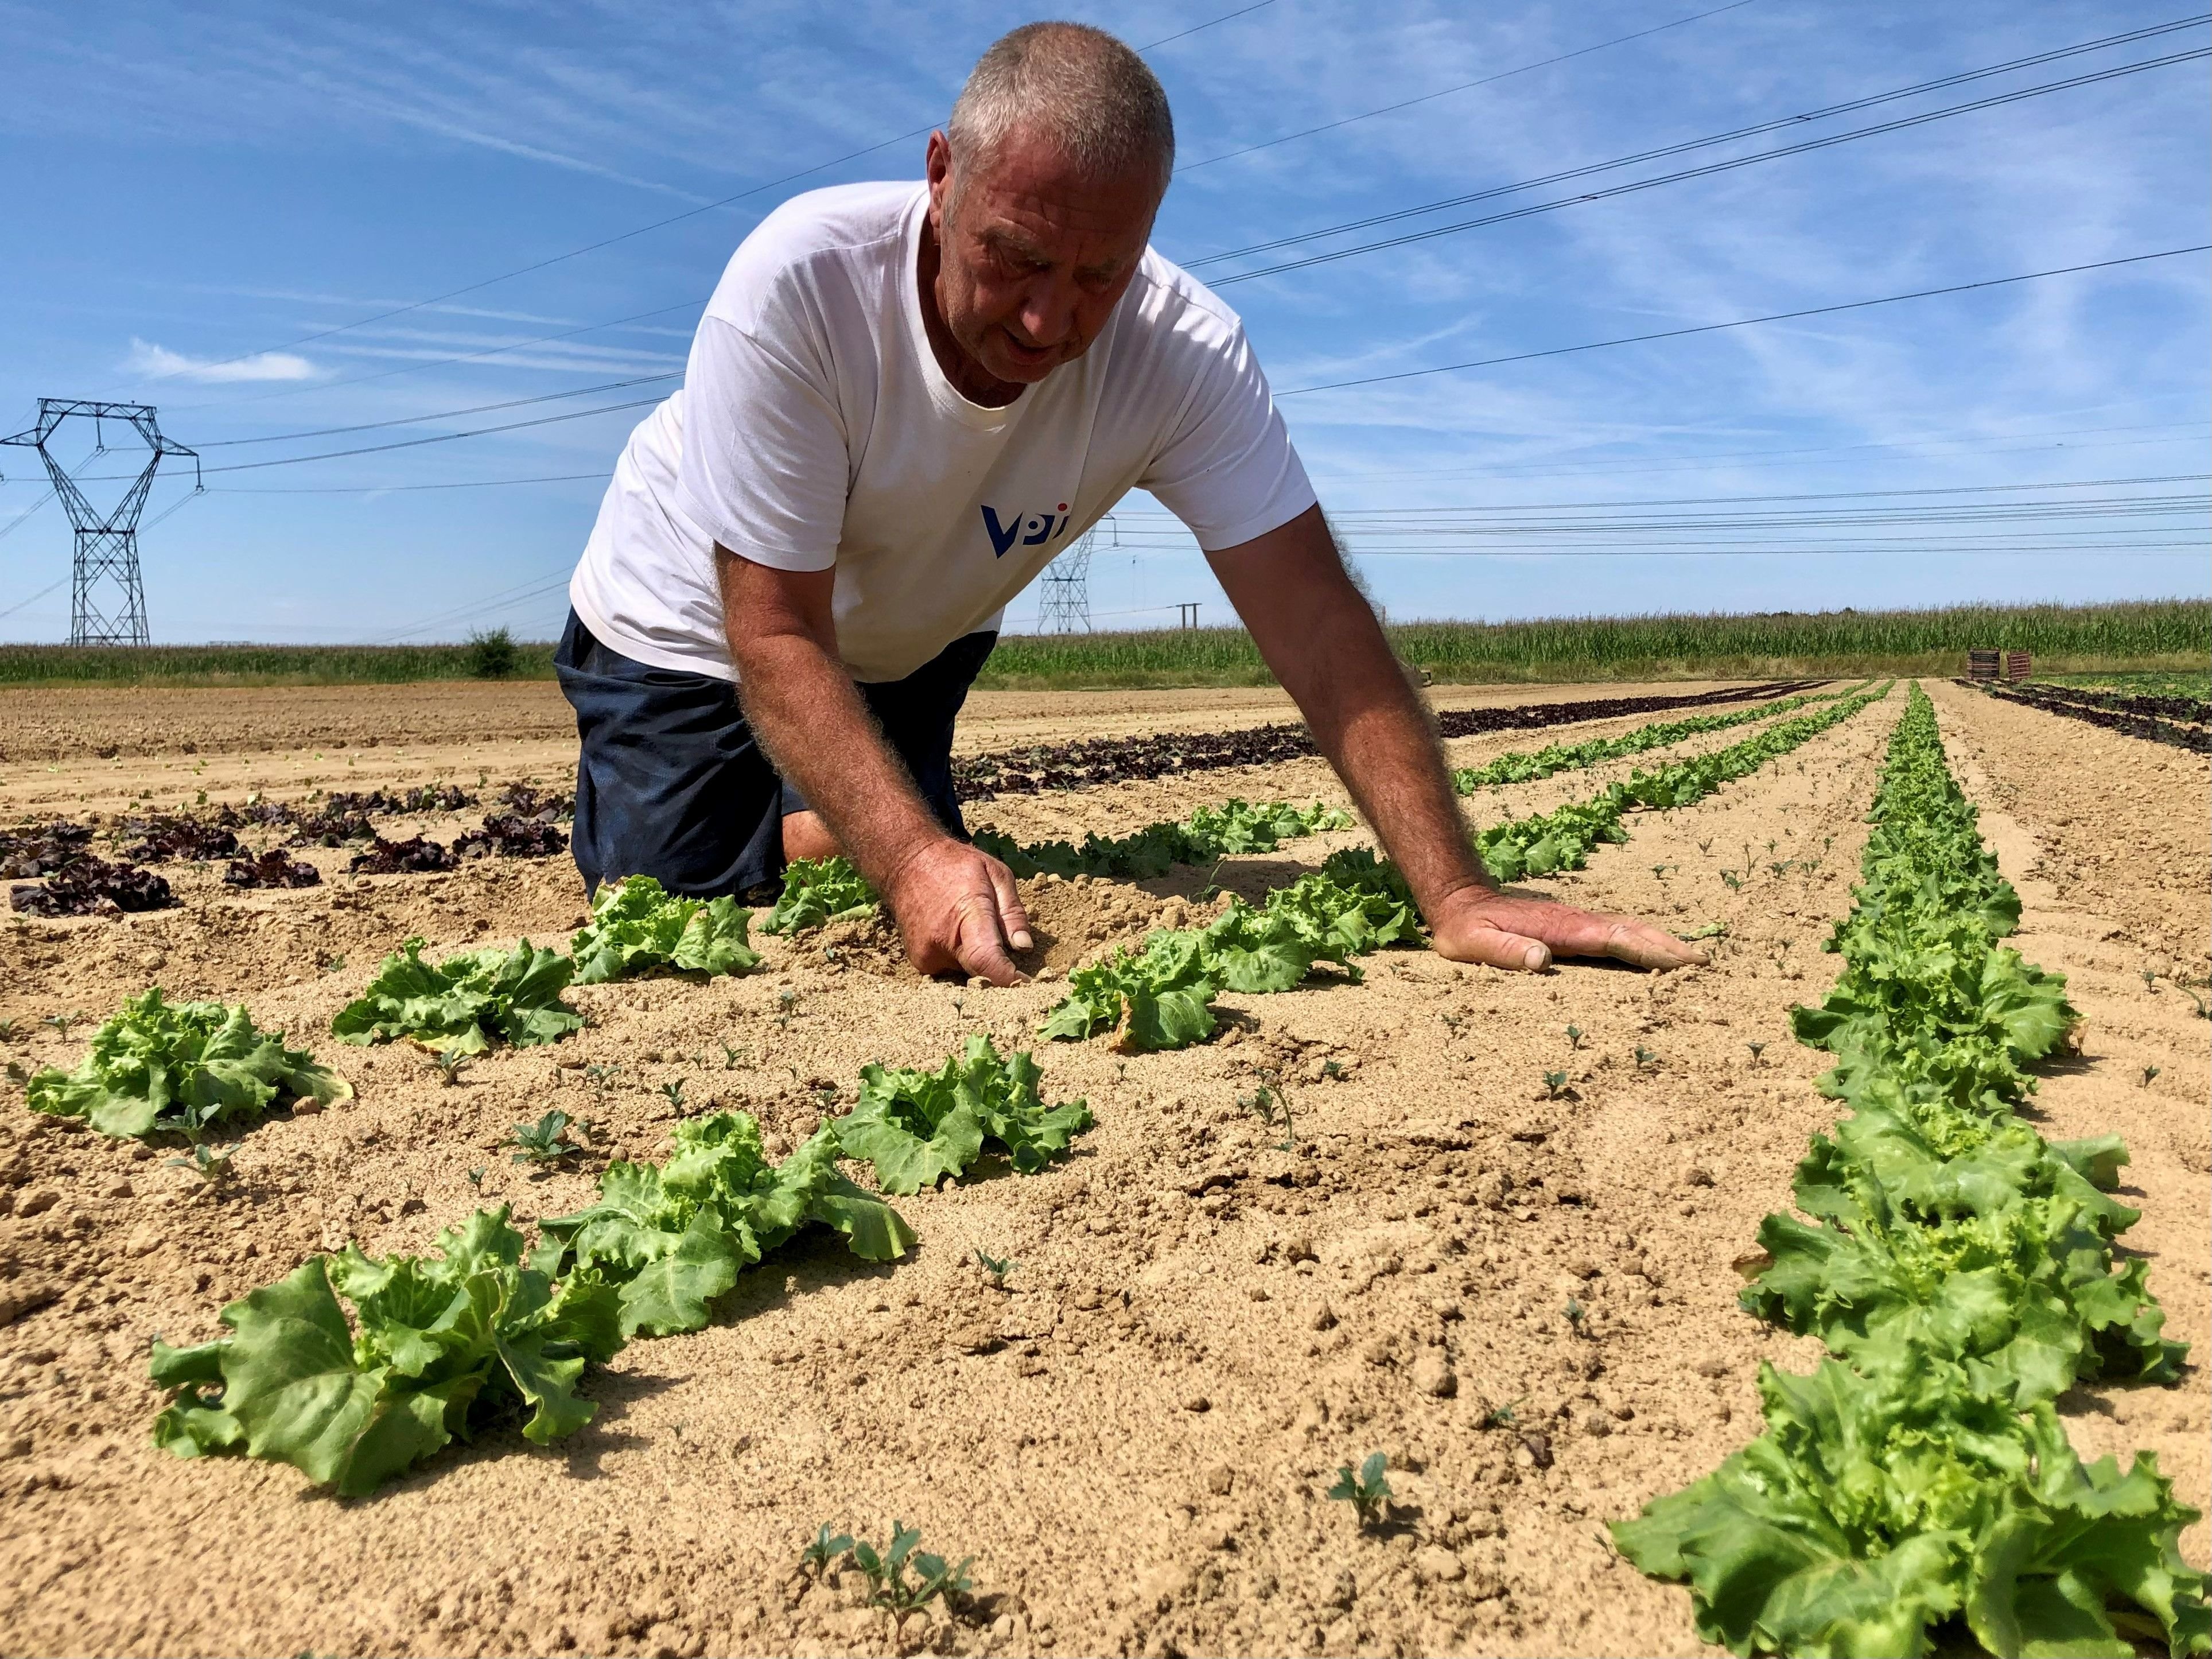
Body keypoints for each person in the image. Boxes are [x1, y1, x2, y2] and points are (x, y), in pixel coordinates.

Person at [557, 20, 1702, 987]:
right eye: (1013, 258)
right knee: (675, 903)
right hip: (693, 620)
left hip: (917, 630)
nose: (1048, 322)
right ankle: (816, 826)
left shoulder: (1182, 353)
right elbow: (774, 631)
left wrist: (1452, 889)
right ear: (941, 177)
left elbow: (1313, 618)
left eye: (1099, 273)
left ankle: (836, 820)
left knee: (941, 874)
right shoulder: (801, 286)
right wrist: (906, 858)